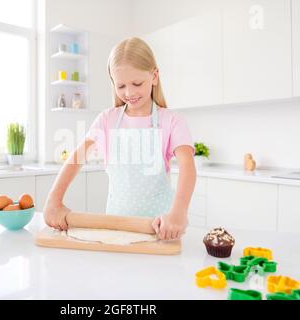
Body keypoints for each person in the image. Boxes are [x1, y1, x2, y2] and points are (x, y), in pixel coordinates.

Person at [44, 37, 196, 240]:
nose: (129, 92)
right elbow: (77, 157)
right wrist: (54, 200)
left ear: (154, 76)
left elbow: (188, 167)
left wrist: (179, 212)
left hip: (160, 229)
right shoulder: (107, 119)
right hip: (116, 227)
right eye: (121, 86)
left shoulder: (172, 121)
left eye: (137, 83)